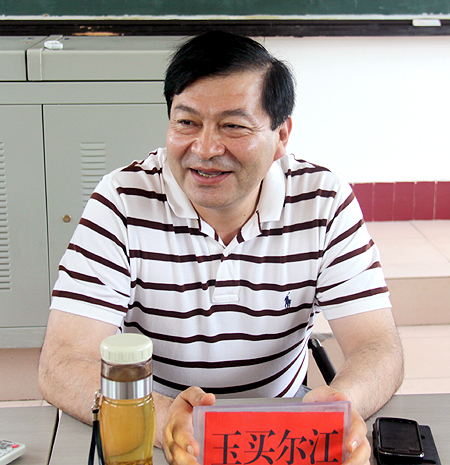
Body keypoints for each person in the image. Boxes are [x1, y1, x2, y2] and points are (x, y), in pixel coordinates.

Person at [38, 31, 404, 465]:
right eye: (186, 122)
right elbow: (62, 363)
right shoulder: (121, 200)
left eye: (233, 126)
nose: (206, 149)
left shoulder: (323, 201)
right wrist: (166, 420)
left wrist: (341, 405)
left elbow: (378, 345)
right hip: (159, 431)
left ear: (281, 135)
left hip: (283, 434)